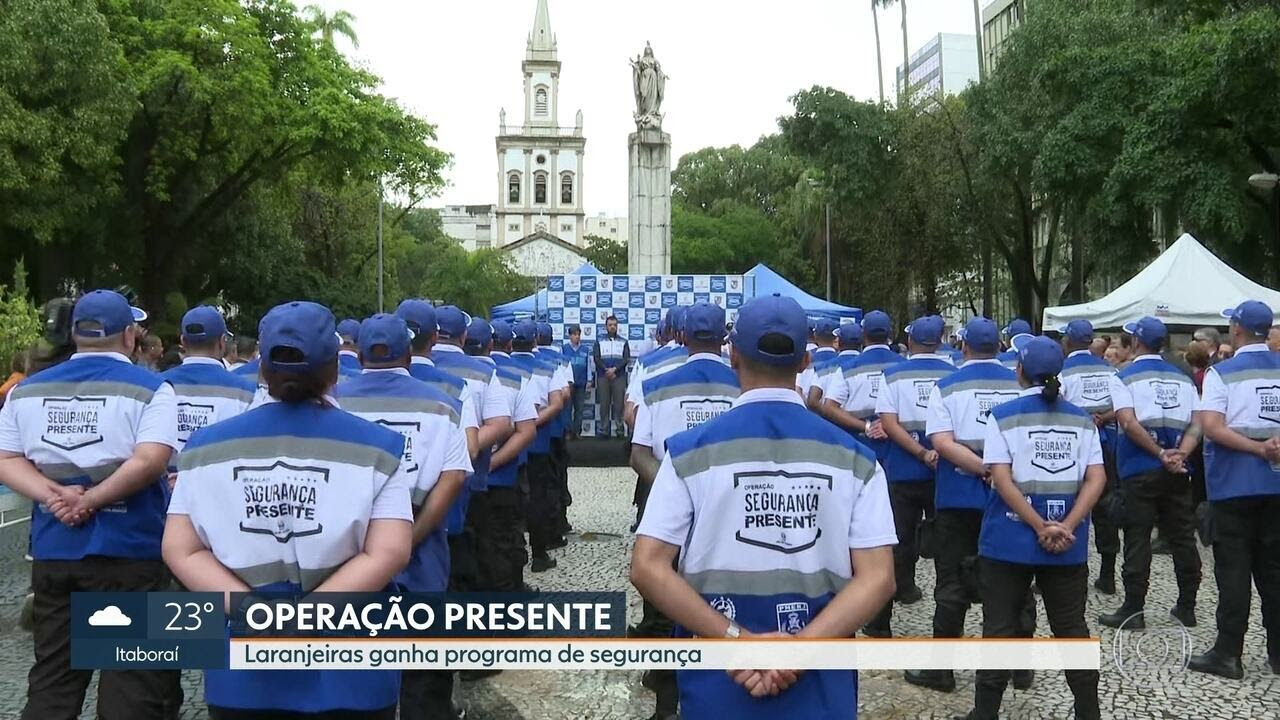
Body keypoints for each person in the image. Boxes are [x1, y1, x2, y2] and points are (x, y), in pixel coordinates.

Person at [630, 293, 897, 720]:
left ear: (732, 354)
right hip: (820, 685)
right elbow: (879, 578)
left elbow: (648, 566)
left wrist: (736, 641)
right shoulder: (856, 460)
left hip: (718, 681)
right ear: (805, 362)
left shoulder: (687, 453)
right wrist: (798, 651)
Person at [164, 301, 413, 719]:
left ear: (262, 368)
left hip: (243, 670)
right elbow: (388, 552)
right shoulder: (379, 448)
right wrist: (305, 616)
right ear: (335, 370)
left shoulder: (205, 448)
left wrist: (258, 613)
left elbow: (180, 549)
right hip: (352, 668)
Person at [0, 289, 181, 720]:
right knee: (131, 683)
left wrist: (55, 497)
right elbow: (151, 461)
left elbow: (7, 459)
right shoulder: (152, 389)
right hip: (131, 549)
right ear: (130, 336)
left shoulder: (27, 392)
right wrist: (94, 499)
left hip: (55, 546)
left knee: (53, 680)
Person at [953, 335, 1106, 720]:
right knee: (1072, 629)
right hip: (1067, 544)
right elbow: (1097, 479)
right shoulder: (1082, 419)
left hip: (1008, 541)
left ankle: (985, 713)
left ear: (1019, 371)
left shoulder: (1003, 417)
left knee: (999, 630)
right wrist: (1066, 525)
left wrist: (1038, 525)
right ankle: (1088, 712)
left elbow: (1001, 480)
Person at [334, 313, 471, 719]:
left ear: (358, 355)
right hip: (422, 551)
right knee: (424, 672)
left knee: (355, 666)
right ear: (410, 355)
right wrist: (408, 541)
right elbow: (453, 479)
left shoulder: (335, 400)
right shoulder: (442, 405)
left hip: (348, 555)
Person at [629, 301, 740, 720]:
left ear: (682, 336)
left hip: (664, 500)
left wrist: (677, 492)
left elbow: (639, 454)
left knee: (662, 600)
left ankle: (664, 702)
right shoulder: (742, 385)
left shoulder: (657, 383)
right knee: (723, 598)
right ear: (724, 339)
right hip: (730, 506)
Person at [906, 317, 1027, 693]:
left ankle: (942, 670)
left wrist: (981, 469)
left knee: (952, 580)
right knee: (1013, 579)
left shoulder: (948, 386)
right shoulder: (1019, 385)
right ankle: (1020, 667)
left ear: (963, 347)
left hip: (958, 496)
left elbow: (941, 442)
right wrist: (998, 473)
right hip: (1009, 498)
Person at [1187, 301, 1280, 680]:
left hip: (1233, 486)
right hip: (1276, 485)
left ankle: (1228, 653)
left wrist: (1258, 448)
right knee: (1274, 571)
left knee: (1234, 572)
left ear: (1238, 330)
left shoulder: (1221, 373)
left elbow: (1212, 426)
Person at [1097, 316, 1201, 630]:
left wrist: (1158, 453)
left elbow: (1127, 422)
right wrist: (1180, 453)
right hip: (1179, 468)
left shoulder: (1124, 376)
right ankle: (1187, 605)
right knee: (1182, 535)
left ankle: (1133, 609)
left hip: (1140, 468)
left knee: (1137, 537)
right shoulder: (1183, 377)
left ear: (1137, 342)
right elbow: (1198, 422)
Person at [865, 315, 956, 637]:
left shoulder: (893, 375)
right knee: (948, 547)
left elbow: (888, 424)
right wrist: (935, 453)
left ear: (911, 342)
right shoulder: (953, 375)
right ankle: (945, 627)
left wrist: (918, 452)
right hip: (945, 472)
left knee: (893, 543)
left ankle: (880, 624)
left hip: (901, 470)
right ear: (941, 342)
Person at [469, 318, 539, 597]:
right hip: (503, 477)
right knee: (504, 543)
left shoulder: (438, 374)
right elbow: (526, 430)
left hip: (456, 484)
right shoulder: (513, 377)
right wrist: (492, 464)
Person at [1057, 319, 1122, 595]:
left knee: (1067, 503)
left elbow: (1056, 406)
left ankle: (1063, 566)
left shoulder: (1060, 371)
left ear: (1068, 341)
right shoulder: (1111, 370)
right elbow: (1123, 407)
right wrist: (1102, 418)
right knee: (1105, 507)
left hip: (1071, 445)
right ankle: (1107, 573)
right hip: (1106, 443)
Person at [161, 305, 256, 459]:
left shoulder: (156, 385)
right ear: (222, 342)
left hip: (165, 480)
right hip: (222, 481)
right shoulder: (247, 391)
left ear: (183, 342)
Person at [509, 319, 565, 572]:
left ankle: (514, 559)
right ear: (535, 341)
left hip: (509, 445)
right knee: (539, 498)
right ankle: (540, 554)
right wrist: (532, 423)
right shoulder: (548, 367)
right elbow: (558, 401)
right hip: (539, 443)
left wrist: (518, 426)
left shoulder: (503, 370)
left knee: (513, 502)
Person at [821, 310, 899, 468]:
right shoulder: (904, 366)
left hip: (859, 446)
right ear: (889, 333)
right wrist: (888, 426)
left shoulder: (847, 369)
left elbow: (830, 407)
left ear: (863, 333)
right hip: (898, 448)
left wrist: (866, 426)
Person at [534, 321, 573, 542]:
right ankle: (557, 526)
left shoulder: (526, 362)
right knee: (555, 480)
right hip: (554, 428)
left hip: (528, 434)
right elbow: (565, 393)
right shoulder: (560, 362)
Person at [593, 315, 630, 437]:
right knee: (604, 404)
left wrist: (614, 369)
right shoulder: (599, 341)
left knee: (619, 404)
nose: (613, 327)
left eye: (615, 325)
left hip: (618, 377)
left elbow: (626, 359)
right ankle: (604, 430)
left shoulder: (624, 342)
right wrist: (606, 370)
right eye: (610, 325)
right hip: (603, 376)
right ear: (606, 327)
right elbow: (596, 358)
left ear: (617, 326)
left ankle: (619, 429)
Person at [798, 317, 838, 409]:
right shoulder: (843, 361)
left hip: (811, 412)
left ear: (815, 335)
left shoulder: (806, 360)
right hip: (838, 414)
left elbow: (798, 389)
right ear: (836, 338)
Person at [563, 324, 591, 436]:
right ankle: (568, 431)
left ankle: (577, 431)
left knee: (579, 408)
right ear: (570, 336)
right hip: (568, 383)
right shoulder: (564, 349)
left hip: (581, 382)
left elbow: (588, 365)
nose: (577, 337)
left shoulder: (585, 349)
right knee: (568, 408)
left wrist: (589, 379)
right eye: (574, 334)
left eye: (578, 334)